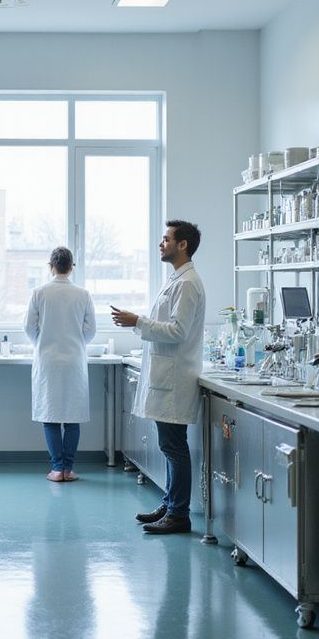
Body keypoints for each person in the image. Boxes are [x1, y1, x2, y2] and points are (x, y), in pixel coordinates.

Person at [111, 220, 206, 535]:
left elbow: (178, 331)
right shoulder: (177, 280)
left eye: (166, 239)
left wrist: (138, 320)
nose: (161, 244)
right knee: (169, 447)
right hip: (168, 377)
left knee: (175, 447)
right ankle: (170, 503)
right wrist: (140, 322)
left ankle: (179, 514)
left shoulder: (188, 283)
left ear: (183, 245)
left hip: (176, 379)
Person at [24, 247, 97, 482]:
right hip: (74, 361)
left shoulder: (39, 292)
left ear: (51, 266)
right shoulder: (83, 294)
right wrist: (75, 344)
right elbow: (90, 330)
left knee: (51, 415)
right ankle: (68, 468)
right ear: (71, 266)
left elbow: (29, 327)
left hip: (48, 361)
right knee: (72, 417)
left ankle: (56, 469)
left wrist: (43, 343)